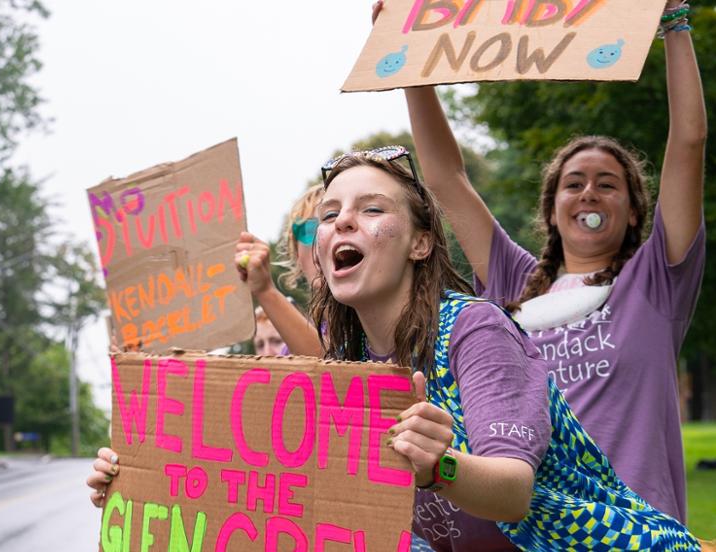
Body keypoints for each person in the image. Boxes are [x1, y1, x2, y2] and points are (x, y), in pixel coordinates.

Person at [89, 148, 707, 550]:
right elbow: (263, 476)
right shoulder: (355, 361)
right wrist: (144, 476)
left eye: (371, 209)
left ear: (419, 244)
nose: (342, 222)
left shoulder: (475, 331)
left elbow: (512, 491)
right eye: (330, 214)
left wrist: (440, 467)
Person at [384, 0, 706, 523]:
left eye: (608, 185)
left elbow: (689, 143)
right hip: (537, 532)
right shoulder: (513, 281)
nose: (589, 193)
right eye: (573, 184)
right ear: (552, 209)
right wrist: (412, 56)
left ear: (633, 212)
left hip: (633, 532)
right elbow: (445, 178)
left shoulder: (656, 280)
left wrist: (675, 22)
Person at [234, 185, 326, 356]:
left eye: (333, 221)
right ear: (297, 255)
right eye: (309, 230)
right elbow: (325, 366)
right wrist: (264, 290)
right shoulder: (289, 354)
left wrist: (266, 291)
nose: (323, 241)